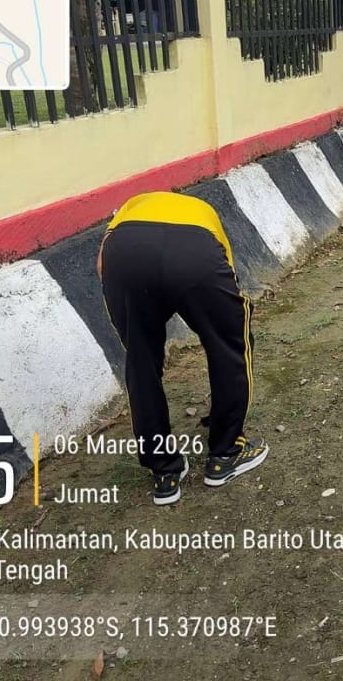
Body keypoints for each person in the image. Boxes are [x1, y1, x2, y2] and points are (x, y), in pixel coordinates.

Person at [97, 191, 269, 504]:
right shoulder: (203, 212)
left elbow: (101, 264)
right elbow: (228, 277)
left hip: (125, 255)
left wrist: (137, 337)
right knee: (230, 343)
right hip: (195, 251)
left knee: (140, 358)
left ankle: (163, 472)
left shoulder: (125, 212)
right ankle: (225, 454)